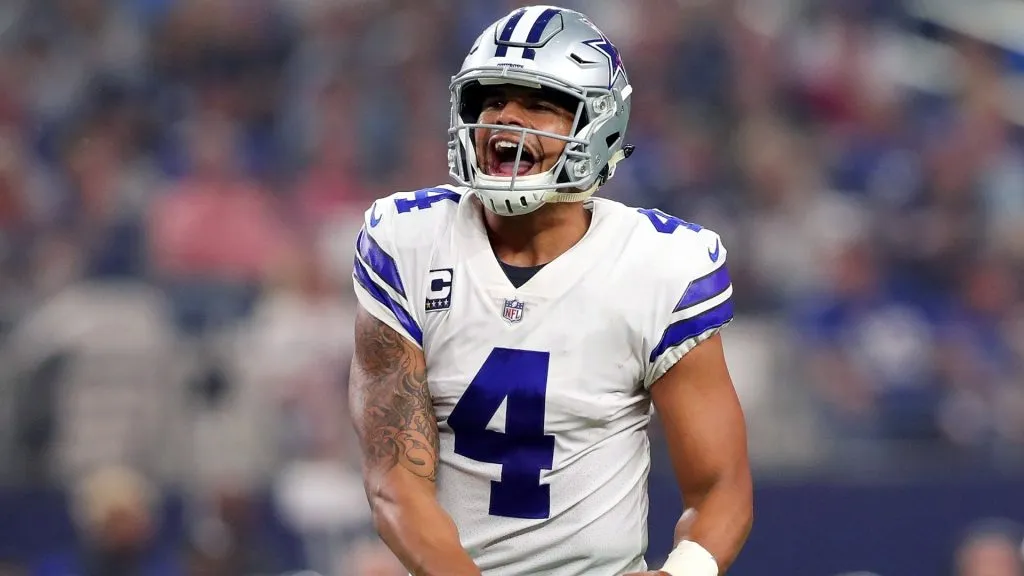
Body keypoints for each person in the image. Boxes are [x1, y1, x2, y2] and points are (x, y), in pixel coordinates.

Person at [348, 5, 752, 576]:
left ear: (599, 124)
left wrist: (681, 571)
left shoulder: (660, 264)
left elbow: (719, 487)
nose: (505, 118)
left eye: (538, 104)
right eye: (492, 100)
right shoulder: (407, 242)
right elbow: (395, 480)